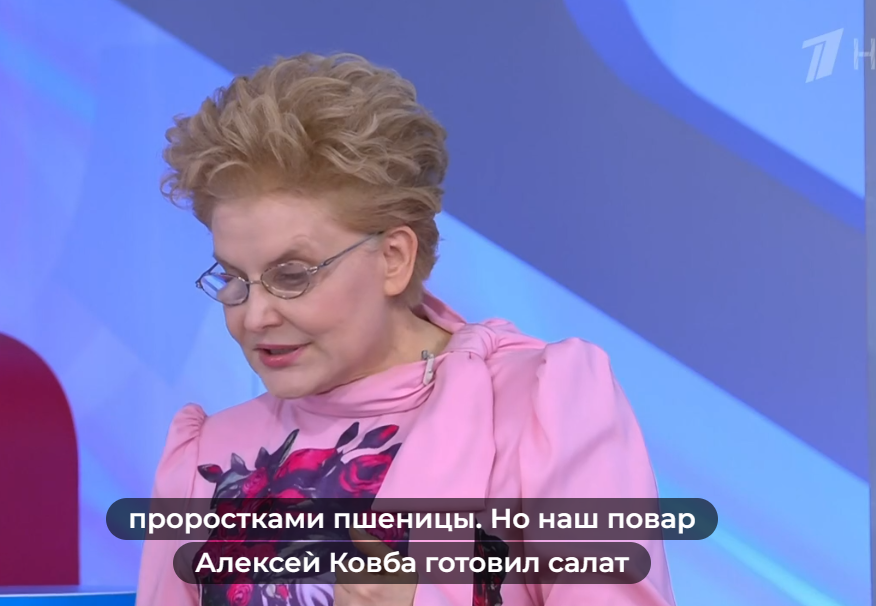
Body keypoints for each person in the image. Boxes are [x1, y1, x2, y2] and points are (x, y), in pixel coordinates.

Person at [136, 52, 677, 606]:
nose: (253, 317)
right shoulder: (208, 456)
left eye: (291, 275)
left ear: (394, 258)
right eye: (233, 278)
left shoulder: (542, 408)